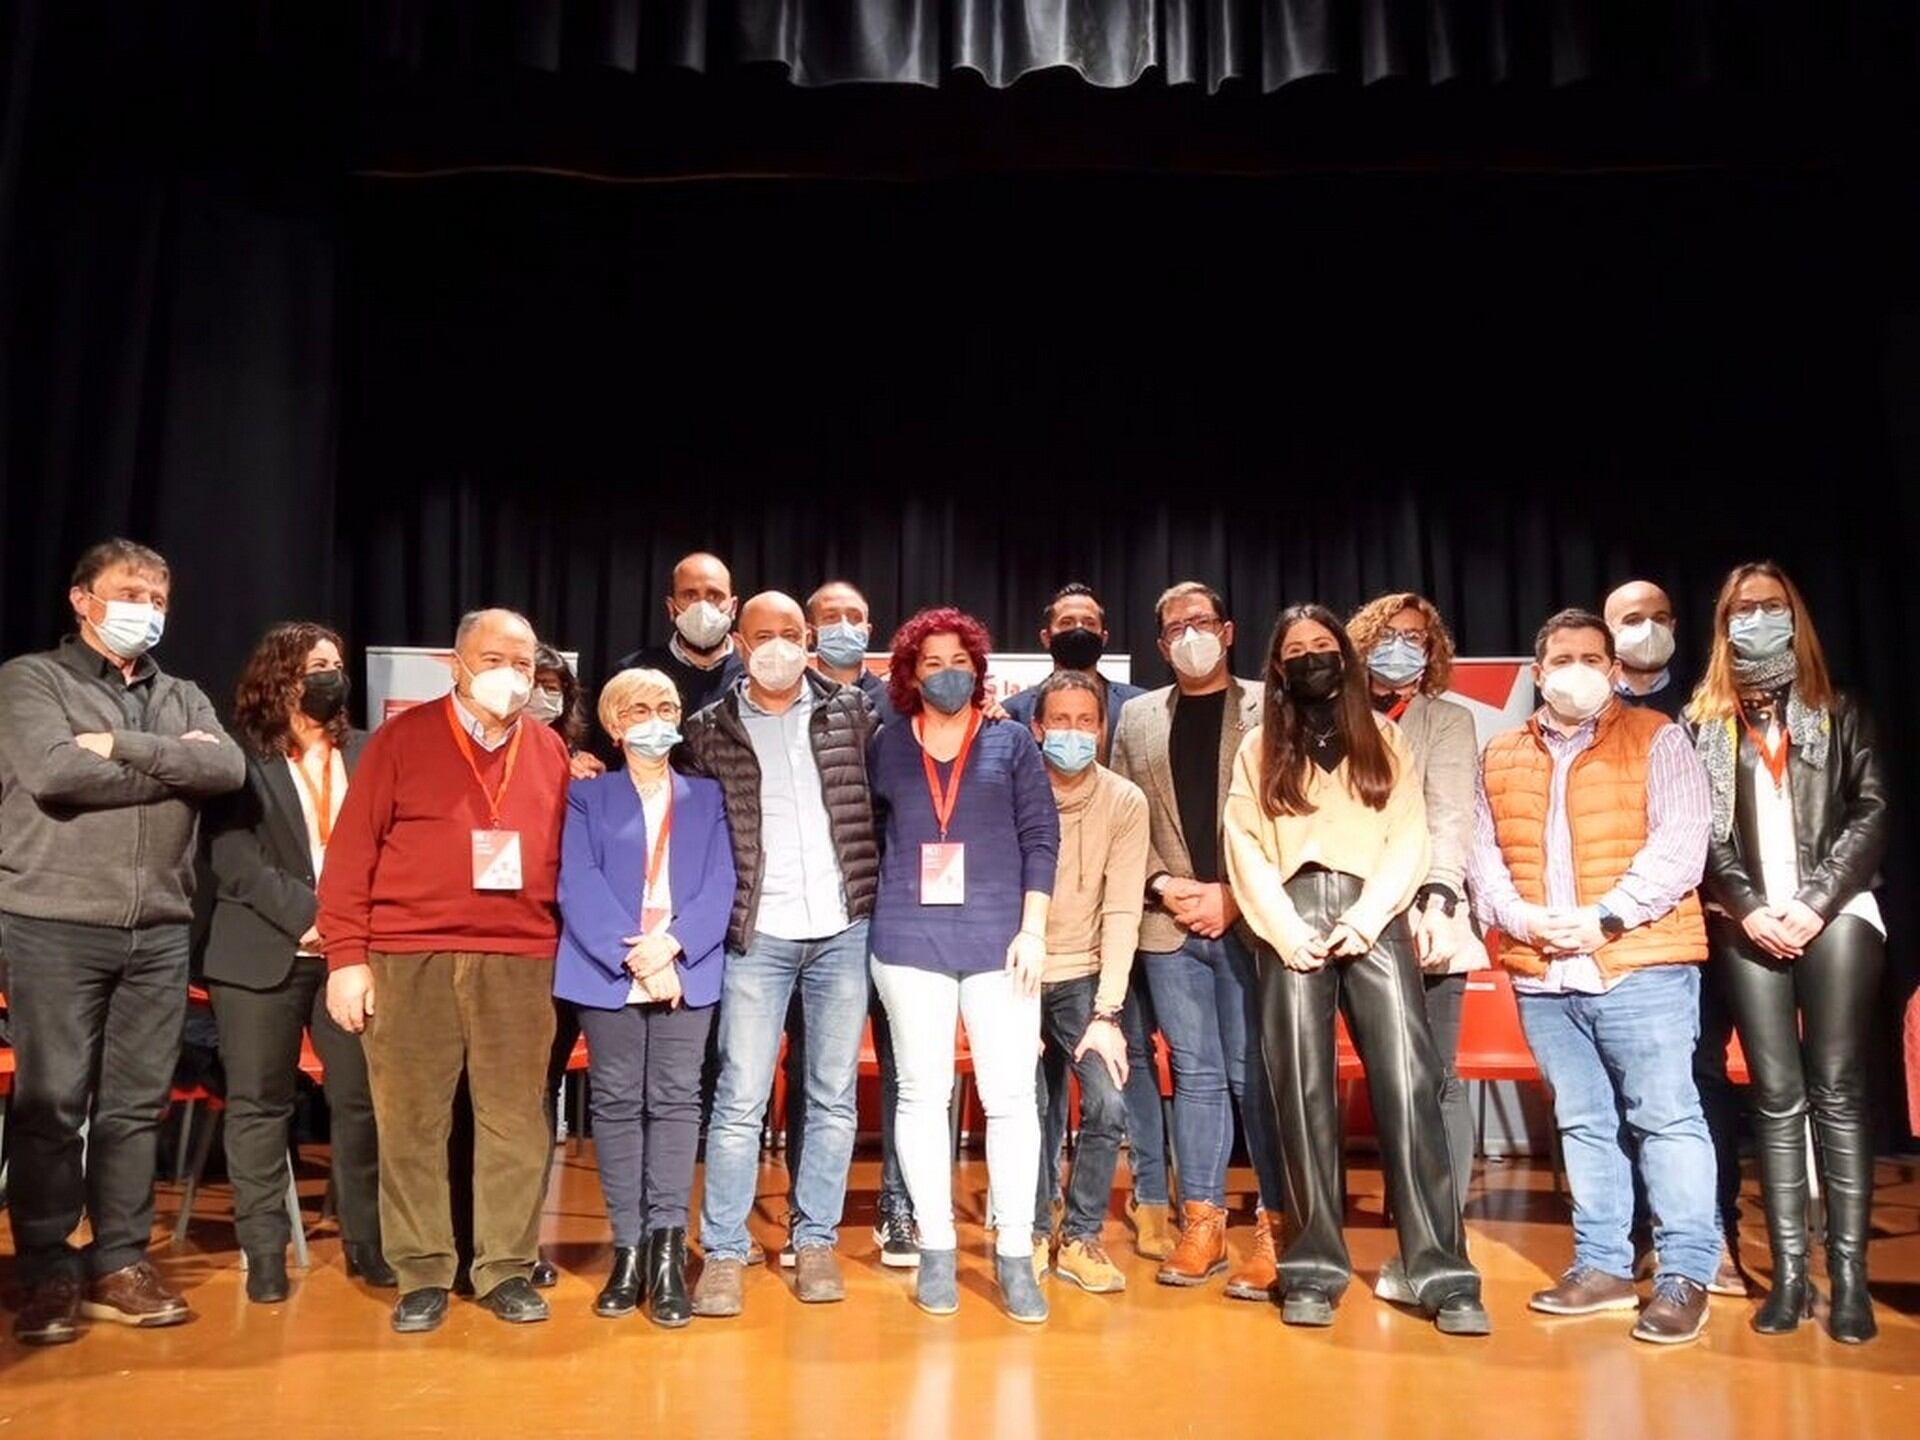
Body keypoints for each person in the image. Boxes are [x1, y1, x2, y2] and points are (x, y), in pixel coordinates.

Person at [0, 539, 246, 1345]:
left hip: (161, 930)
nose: (147, 607)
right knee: (53, 1106)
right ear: (82, 598)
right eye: (129, 591)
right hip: (54, 921)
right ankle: (44, 1265)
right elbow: (53, 774)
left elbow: (229, 773)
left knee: (134, 1110)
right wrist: (177, 766)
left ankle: (118, 1260)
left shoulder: (182, 694)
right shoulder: (33, 678)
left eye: (159, 597)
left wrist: (123, 747)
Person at [1224, 603, 1487, 1335]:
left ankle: (1444, 1272)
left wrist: (1367, 920)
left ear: (1343, 654)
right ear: (1278, 666)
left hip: (1375, 917)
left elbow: (1410, 834)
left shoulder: (1388, 737)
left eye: (1322, 646)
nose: (1311, 659)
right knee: (1300, 1096)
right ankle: (1312, 1268)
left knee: (1410, 1087)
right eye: (1295, 650)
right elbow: (1242, 842)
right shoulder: (1258, 746)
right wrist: (1283, 930)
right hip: (1292, 919)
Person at [1470, 607, 1718, 1345]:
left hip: (1639, 960)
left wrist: (1605, 917)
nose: (1577, 669)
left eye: (1592, 657)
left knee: (1665, 1117)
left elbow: (1682, 845)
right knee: (1582, 1120)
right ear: (1538, 671)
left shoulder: (1658, 738)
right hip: (1544, 972)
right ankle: (1604, 1263)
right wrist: (1519, 918)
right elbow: (1482, 854)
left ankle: (1683, 1273)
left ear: (1613, 670)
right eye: (1562, 658)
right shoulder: (1501, 751)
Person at [320, 608, 571, 1335]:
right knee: (411, 1123)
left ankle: (504, 1268)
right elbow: (350, 857)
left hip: (520, 961)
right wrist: (346, 959)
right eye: (494, 659)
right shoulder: (400, 740)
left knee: (516, 1123)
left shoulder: (550, 750)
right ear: (456, 664)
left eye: (524, 664)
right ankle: (424, 1270)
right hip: (407, 956)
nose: (511, 676)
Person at [1691, 563, 1888, 1343]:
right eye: (1743, 610)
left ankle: (1849, 1282)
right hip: (1748, 920)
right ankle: (1790, 1281)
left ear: (1794, 616)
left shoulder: (1841, 710)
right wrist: (1749, 908)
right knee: (1775, 1096)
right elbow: (1705, 833)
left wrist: (1812, 904)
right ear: (1724, 623)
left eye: (1771, 608)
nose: (1757, 620)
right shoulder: (1703, 720)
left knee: (1836, 1088)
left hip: (1836, 913)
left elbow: (1870, 812)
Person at [682, 593, 883, 1317]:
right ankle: (727, 1251)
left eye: (790, 635)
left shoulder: (856, 713)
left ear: (809, 640)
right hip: (756, 934)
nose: (777, 646)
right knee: (739, 1099)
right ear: (738, 641)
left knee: (830, 1097)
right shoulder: (706, 731)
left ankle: (817, 1240)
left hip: (842, 929)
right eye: (762, 635)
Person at [868, 607, 1060, 1322]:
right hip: (908, 938)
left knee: (1010, 1099)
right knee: (921, 1096)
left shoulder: (1012, 743)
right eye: (931, 663)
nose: (946, 673)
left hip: (999, 940)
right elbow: (877, 831)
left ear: (979, 669)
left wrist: (1034, 930)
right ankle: (937, 1248)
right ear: (910, 675)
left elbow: (1042, 838)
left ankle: (1014, 1253)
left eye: (959, 661)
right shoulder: (886, 743)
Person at [201, 622, 389, 1303]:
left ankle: (369, 1244)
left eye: (335, 664)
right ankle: (265, 1248)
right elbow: (232, 860)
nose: (329, 676)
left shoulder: (372, 750)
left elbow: (390, 849)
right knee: (259, 1105)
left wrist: (343, 929)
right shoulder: (238, 758)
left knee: (362, 1100)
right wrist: (311, 915)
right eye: (315, 664)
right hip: (261, 951)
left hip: (351, 958)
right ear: (279, 677)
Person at [1111, 582, 1284, 1292]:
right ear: (1159, 645)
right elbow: (1126, 817)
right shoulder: (1139, 718)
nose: (1189, 635)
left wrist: (1235, 897)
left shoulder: (1272, 706)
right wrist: (1163, 886)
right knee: (1199, 1075)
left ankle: (1277, 1224)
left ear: (1229, 629)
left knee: (1256, 1075)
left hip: (1254, 920)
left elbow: (1293, 812)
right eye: (1175, 627)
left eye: (1200, 622)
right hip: (1169, 926)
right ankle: (1203, 1222)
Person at [555, 668, 735, 1326]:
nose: (654, 718)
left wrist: (673, 946)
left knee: (675, 1098)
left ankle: (666, 1251)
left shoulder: (707, 796)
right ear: (613, 723)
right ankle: (627, 1248)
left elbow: (722, 882)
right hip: (607, 967)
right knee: (617, 1101)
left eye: (665, 706)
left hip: (686, 965)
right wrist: (634, 952)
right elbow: (576, 879)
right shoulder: (586, 796)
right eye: (638, 708)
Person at [1604, 579, 1746, 1294]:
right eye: (1632, 620)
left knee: (1698, 1083)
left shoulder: (1703, 712)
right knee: (1621, 1091)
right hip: (1612, 934)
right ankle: (1640, 1237)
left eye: (1661, 617)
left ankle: (1711, 1232)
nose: (1647, 630)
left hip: (1699, 928)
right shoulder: (1583, 714)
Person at [1345, 592, 1484, 1301]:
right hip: (1338, 913)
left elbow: (1452, 813)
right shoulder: (1335, 713)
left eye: (1417, 639)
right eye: (1389, 635)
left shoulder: (1446, 720)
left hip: (1424, 913)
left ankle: (1434, 1234)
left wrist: (1439, 896)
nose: (1402, 647)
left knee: (1434, 1078)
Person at [798, 578, 917, 1266]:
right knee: (820, 1069)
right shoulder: (783, 702)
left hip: (895, 905)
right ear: (810, 630)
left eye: (856, 616)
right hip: (815, 914)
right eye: (831, 617)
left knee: (903, 1066)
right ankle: (810, 1215)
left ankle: (896, 1206)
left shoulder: (898, 704)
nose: (844, 625)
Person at [1026, 672, 1148, 1294]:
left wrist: (1107, 1011)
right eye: (1060, 722)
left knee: (1106, 1103)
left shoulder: (1125, 801)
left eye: (1085, 722)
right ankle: (1031, 1221)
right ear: (1037, 728)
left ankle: (1079, 1235)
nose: (1072, 733)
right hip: (1017, 974)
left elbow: (1124, 908)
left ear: (1101, 729)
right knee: (1031, 1105)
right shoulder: (1014, 788)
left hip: (1085, 977)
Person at [1000, 582, 1146, 755]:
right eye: (1067, 623)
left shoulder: (1140, 706)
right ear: (1046, 638)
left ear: (1104, 638)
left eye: (1089, 623)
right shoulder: (1014, 711)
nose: (1079, 629)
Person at [613, 552, 745, 720]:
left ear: (733, 607)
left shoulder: (753, 674)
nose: (702, 607)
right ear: (671, 607)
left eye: (714, 596)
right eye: (690, 596)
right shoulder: (632, 673)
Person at [1604, 579, 1685, 719]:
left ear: (1672, 627)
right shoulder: (1592, 703)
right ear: (1608, 631)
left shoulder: (1700, 701)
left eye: (1660, 619)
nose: (1650, 629)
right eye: (1633, 620)